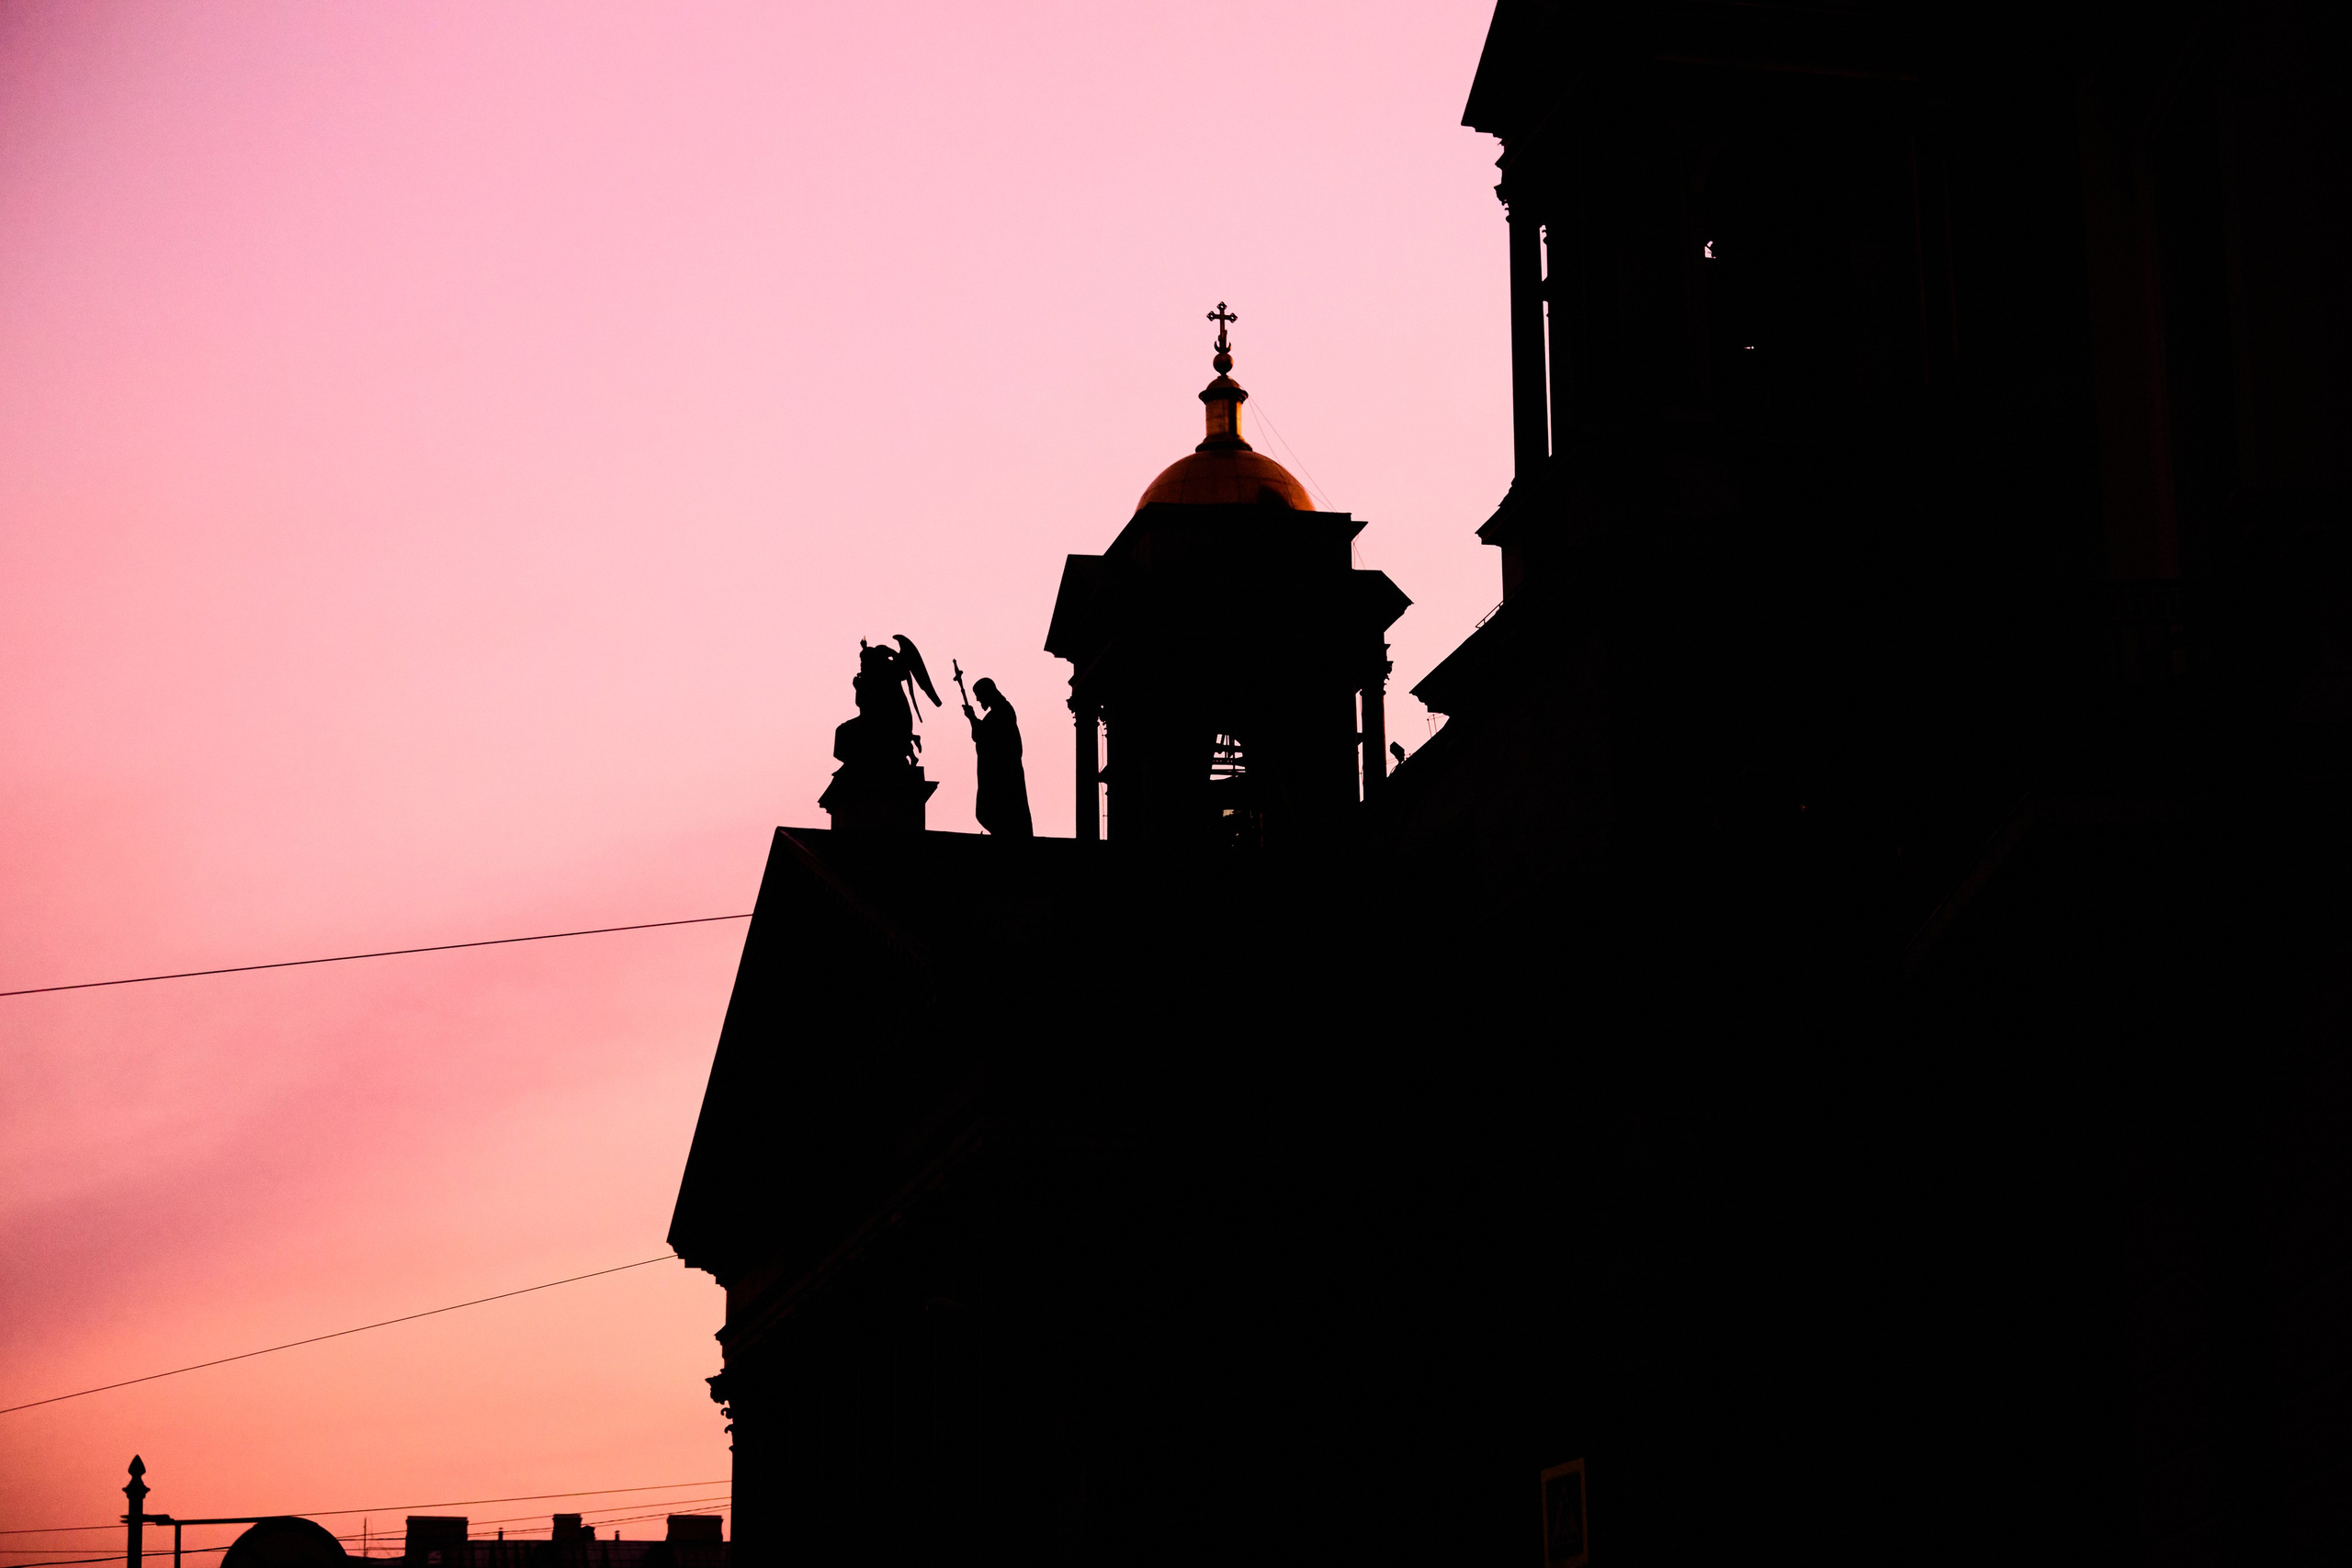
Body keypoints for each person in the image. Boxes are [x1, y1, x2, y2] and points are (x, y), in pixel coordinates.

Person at [963, 677, 1034, 838]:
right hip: (997, 774)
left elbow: (984, 735)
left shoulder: (1003, 711)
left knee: (995, 810)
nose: (978, 699)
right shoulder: (999, 712)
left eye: (979, 695)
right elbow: (982, 735)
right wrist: (972, 718)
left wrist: (973, 718)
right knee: (989, 811)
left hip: (1002, 775)